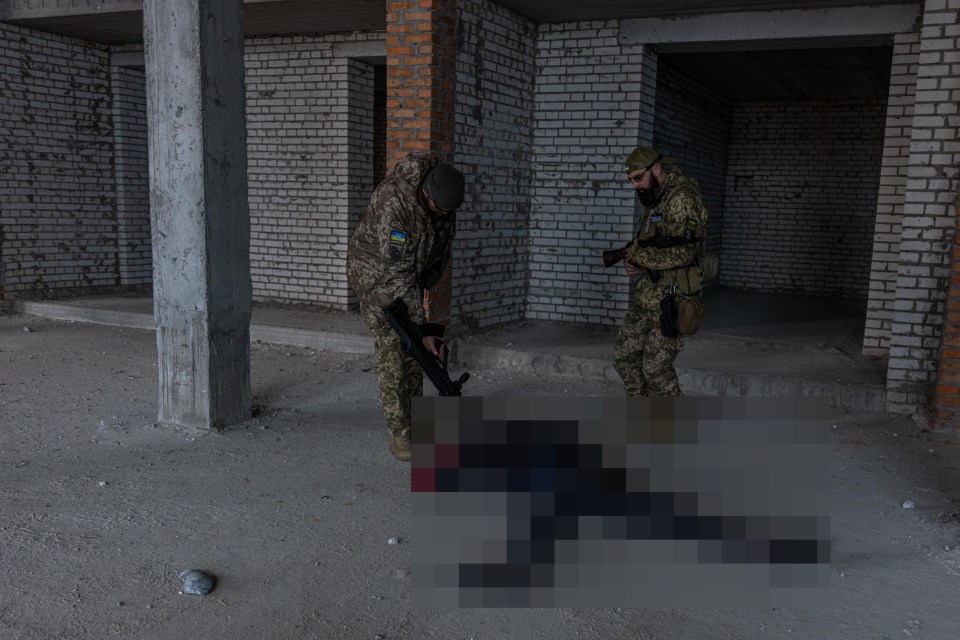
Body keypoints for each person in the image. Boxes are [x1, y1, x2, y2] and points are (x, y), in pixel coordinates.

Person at [346, 153, 464, 461]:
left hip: (407, 278)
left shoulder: (444, 205)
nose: (443, 216)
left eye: (448, 212)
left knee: (417, 353)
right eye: (439, 209)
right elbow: (397, 274)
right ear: (426, 195)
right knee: (395, 350)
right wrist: (421, 327)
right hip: (376, 278)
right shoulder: (394, 201)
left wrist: (424, 324)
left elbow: (440, 252)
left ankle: (417, 424)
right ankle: (399, 433)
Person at [612, 147, 708, 396]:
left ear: (656, 170)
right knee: (624, 358)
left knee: (655, 371)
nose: (635, 185)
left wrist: (639, 255)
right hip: (646, 295)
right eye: (631, 180)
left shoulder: (682, 198)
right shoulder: (658, 198)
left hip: (669, 299)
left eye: (637, 178)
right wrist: (632, 258)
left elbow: (684, 253)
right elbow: (646, 243)